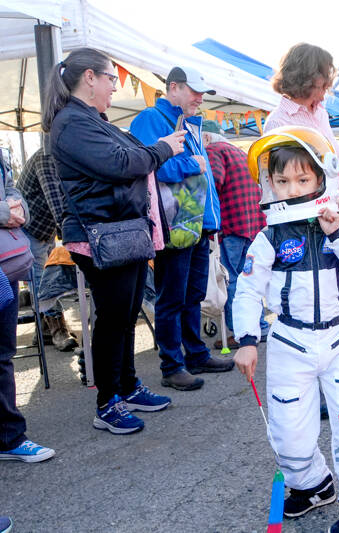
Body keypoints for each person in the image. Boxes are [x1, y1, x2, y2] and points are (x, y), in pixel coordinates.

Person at [233, 127, 339, 533]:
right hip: (289, 340)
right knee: (288, 431)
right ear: (269, 184)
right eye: (282, 181)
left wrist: (338, 233)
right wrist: (247, 341)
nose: (292, 188)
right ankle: (313, 485)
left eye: (303, 179)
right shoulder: (268, 237)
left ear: (322, 178)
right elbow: (247, 288)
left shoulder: (337, 225)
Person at [43, 47, 180, 433]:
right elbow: (121, 164)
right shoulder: (71, 123)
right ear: (90, 78)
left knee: (125, 317)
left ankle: (128, 386)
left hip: (121, 231)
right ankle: (107, 403)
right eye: (111, 80)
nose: (114, 88)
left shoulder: (91, 120)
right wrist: (163, 149)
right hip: (100, 233)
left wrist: (149, 152)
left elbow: (131, 155)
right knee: (114, 320)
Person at [130, 66, 234, 392]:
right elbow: (150, 164)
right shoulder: (150, 119)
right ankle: (172, 365)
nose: (200, 98)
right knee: (172, 297)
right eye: (195, 91)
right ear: (173, 87)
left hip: (195, 224)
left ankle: (195, 353)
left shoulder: (186, 123)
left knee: (191, 295)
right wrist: (194, 163)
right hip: (176, 224)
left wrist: (211, 222)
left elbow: (198, 179)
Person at [265, 43, 339, 222]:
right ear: (304, 80)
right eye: (322, 86)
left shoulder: (320, 113)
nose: (325, 94)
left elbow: (328, 165)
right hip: (302, 221)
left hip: (327, 212)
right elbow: (294, 187)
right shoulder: (279, 122)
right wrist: (337, 205)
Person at [0, 147, 55, 460]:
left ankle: (9, 437)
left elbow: (12, 190)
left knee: (3, 353)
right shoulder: (48, 157)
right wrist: (7, 211)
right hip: (14, 244)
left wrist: (13, 205)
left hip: (7, 256)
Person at [201, 121, 268, 349]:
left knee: (231, 279)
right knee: (249, 277)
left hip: (231, 224)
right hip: (252, 223)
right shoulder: (238, 152)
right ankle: (259, 326)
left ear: (207, 138)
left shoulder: (212, 151)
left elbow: (213, 183)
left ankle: (239, 331)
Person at [15, 148, 78, 351]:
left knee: (44, 278)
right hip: (30, 229)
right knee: (43, 281)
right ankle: (58, 330)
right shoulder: (46, 157)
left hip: (45, 228)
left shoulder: (62, 156)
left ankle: (42, 332)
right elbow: (56, 203)